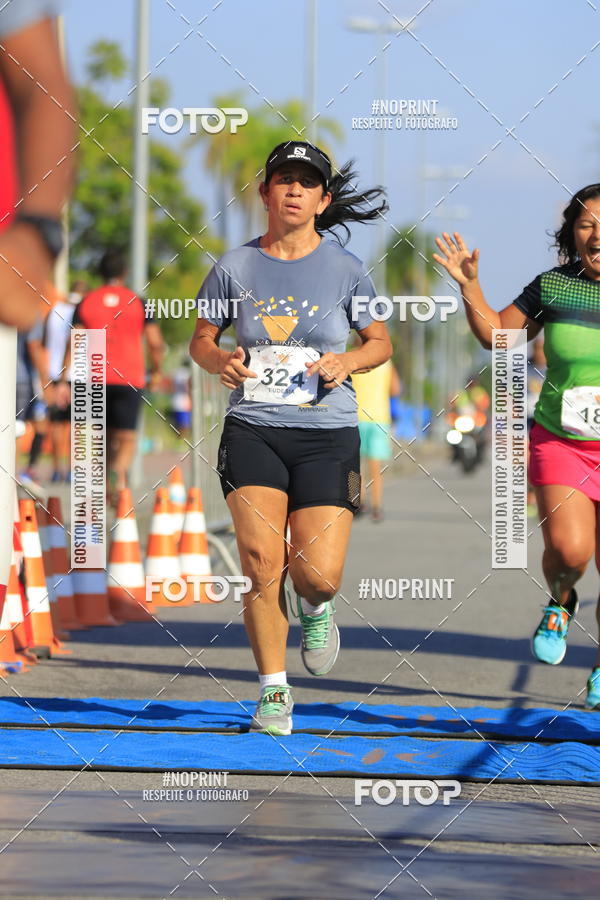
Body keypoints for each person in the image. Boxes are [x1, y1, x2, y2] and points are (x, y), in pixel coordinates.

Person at [190, 140, 392, 735]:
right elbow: (202, 338)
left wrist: (347, 362)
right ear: (266, 192)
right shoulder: (234, 266)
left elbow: (380, 342)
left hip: (326, 433)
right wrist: (218, 359)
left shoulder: (347, 269)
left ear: (324, 199)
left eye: (308, 182)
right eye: (285, 179)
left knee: (317, 574)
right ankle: (273, 691)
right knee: (260, 563)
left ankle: (318, 606)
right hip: (253, 427)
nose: (295, 190)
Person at [433, 184, 600, 710]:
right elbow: (499, 337)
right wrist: (470, 288)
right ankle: (561, 598)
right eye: (587, 223)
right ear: (573, 233)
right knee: (571, 552)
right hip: (564, 440)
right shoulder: (555, 286)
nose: (597, 235)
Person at [57, 250, 165, 501]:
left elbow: (74, 340)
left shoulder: (86, 302)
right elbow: (155, 343)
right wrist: (157, 371)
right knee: (126, 436)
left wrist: (63, 380)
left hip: (93, 377)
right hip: (129, 377)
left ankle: (104, 482)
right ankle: (118, 471)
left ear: (100, 273)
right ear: (124, 273)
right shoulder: (138, 302)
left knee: (100, 433)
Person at [44, 280, 88, 481]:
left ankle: (55, 470)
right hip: (78, 373)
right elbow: (74, 342)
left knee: (56, 424)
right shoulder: (84, 311)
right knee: (77, 424)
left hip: (53, 372)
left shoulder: (53, 311)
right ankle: (72, 469)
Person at [352, 357, 401, 521]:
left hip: (354, 416)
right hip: (379, 418)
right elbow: (396, 389)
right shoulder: (385, 361)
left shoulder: (352, 358)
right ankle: (377, 507)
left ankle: (358, 503)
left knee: (355, 465)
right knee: (376, 467)